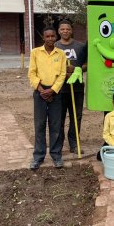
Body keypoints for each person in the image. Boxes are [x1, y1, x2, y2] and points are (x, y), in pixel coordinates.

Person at [28, 25, 67, 170]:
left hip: (55, 94)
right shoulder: (35, 53)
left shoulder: (61, 54)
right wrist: (41, 90)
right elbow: (31, 73)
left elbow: (62, 74)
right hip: (39, 92)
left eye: (52, 36)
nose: (50, 38)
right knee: (39, 125)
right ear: (43, 38)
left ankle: (56, 156)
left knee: (55, 125)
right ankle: (38, 157)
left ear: (55, 37)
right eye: (47, 36)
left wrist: (52, 90)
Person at [55, 19, 86, 154]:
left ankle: (74, 144)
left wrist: (76, 69)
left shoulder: (80, 46)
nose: (65, 31)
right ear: (59, 31)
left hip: (77, 88)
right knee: (59, 117)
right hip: (60, 89)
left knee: (76, 116)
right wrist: (63, 72)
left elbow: (87, 65)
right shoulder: (55, 46)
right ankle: (59, 145)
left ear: (71, 30)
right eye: (62, 29)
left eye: (67, 29)